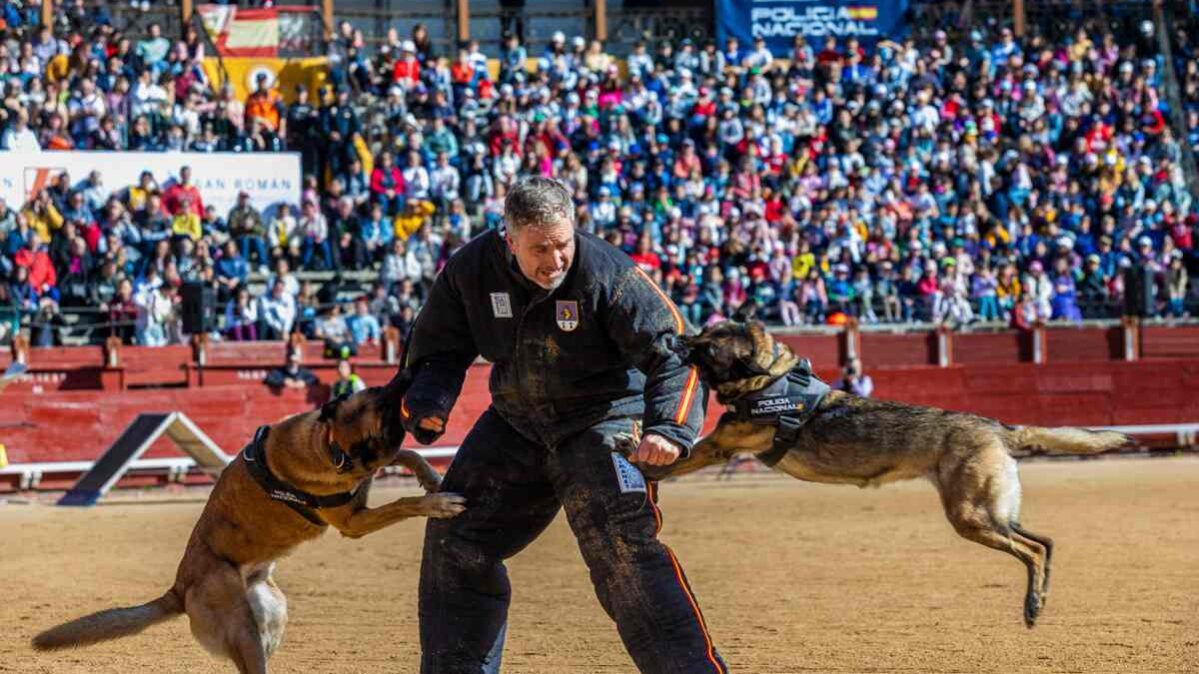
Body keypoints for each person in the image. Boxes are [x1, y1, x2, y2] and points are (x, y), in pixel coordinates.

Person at [397, 178, 724, 674]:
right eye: (539, 249)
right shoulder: (470, 269)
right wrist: (428, 403)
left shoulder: (610, 274)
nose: (554, 261)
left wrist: (668, 429)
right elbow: (438, 348)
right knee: (456, 539)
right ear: (508, 239)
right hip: (516, 423)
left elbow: (677, 352)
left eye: (563, 244)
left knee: (622, 549)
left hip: (604, 419)